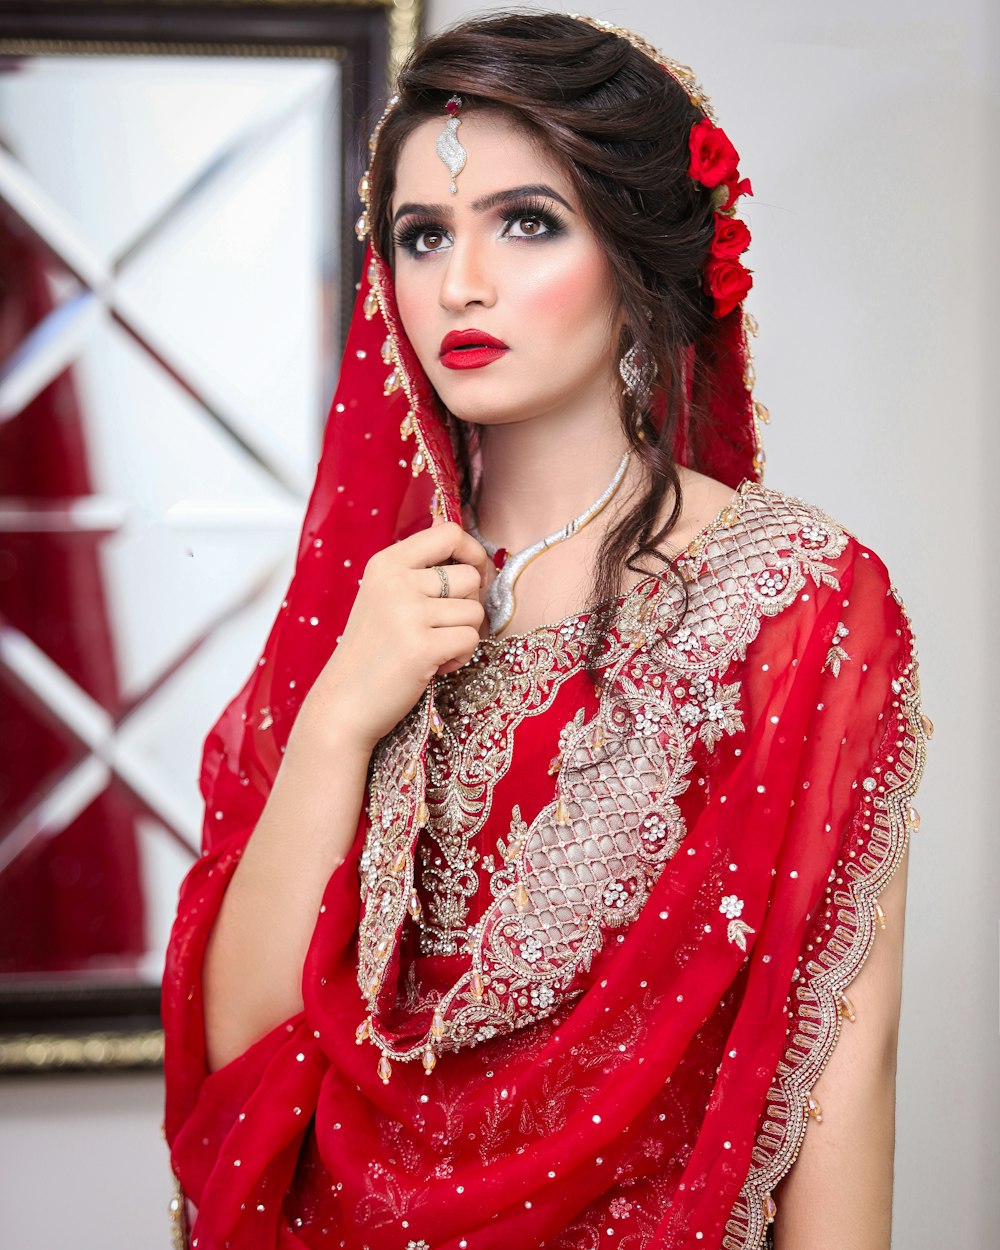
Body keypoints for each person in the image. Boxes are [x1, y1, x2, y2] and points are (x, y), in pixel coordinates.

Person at [161, 12, 930, 1250]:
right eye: (423, 235)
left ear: (637, 257)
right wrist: (344, 712)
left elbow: (841, 1053)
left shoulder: (799, 600)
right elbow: (238, 1048)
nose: (459, 281)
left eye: (526, 221)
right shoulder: (371, 604)